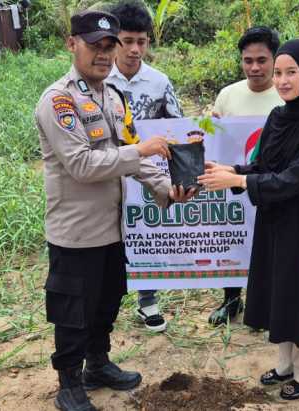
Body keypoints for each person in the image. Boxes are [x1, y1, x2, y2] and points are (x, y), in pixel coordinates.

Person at [34, 10, 194, 411]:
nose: (104, 55)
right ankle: (69, 383)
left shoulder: (112, 96)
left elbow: (133, 160)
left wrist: (167, 191)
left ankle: (98, 364)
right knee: (73, 311)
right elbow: (83, 165)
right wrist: (138, 149)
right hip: (76, 231)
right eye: (95, 46)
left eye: (110, 46)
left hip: (111, 226)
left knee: (106, 301)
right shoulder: (59, 101)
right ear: (72, 44)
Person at [198, 39, 299, 401]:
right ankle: (286, 364)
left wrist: (238, 180)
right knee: (282, 293)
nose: (281, 80)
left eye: (290, 72)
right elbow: (266, 166)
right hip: (276, 220)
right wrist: (234, 169)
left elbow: (294, 178)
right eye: (278, 72)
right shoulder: (278, 117)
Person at [106, 0, 183, 333]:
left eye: (142, 41)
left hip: (148, 173)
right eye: (128, 41)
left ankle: (147, 299)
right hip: (107, 171)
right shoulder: (98, 78)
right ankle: (106, 301)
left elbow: (178, 125)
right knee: (109, 236)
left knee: (144, 232)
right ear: (114, 41)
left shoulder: (159, 82)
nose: (136, 49)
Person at [206, 27, 284, 326]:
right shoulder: (228, 94)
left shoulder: (285, 93)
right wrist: (210, 123)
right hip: (233, 182)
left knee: (272, 241)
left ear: (274, 59)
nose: (254, 67)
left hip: (271, 183)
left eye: (262, 60)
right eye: (247, 60)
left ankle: (269, 305)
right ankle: (231, 299)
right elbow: (216, 136)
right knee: (233, 238)